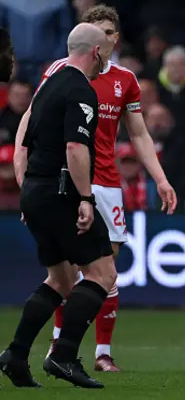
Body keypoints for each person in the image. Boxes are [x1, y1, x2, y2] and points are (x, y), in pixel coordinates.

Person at [13, 4, 177, 372]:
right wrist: (23, 173)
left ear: (113, 38)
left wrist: (161, 178)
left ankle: (102, 352)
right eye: (92, 31)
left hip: (106, 183)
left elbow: (138, 133)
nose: (99, 41)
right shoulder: (61, 71)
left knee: (104, 271)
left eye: (104, 32)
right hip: (67, 183)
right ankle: (59, 348)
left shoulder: (125, 80)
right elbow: (30, 121)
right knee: (71, 273)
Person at [0, 23, 115, 389]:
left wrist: (27, 189)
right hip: (62, 190)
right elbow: (76, 147)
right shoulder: (81, 89)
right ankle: (63, 356)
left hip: (36, 188)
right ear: (96, 52)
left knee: (62, 279)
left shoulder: (48, 84)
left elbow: (24, 138)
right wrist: (85, 198)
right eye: (105, 55)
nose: (105, 63)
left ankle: (15, 356)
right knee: (102, 275)